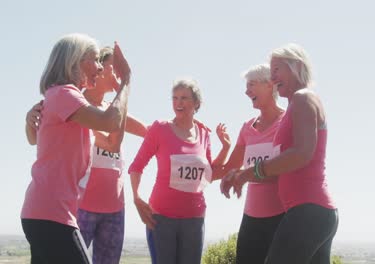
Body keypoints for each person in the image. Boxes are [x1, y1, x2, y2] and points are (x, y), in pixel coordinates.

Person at [25, 46, 147, 264]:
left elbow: (144, 133)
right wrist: (126, 82)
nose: (101, 68)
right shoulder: (68, 99)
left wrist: (180, 129)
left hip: (64, 209)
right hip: (61, 210)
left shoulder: (76, 101)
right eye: (98, 63)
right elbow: (112, 137)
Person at [221, 43, 338, 264]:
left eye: (277, 70)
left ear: (295, 65)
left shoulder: (303, 97)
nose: (273, 77)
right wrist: (243, 176)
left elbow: (302, 153)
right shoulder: (297, 103)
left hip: (308, 211)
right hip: (313, 212)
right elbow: (282, 168)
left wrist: (248, 173)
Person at [129, 78, 231, 264]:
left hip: (194, 218)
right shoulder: (160, 128)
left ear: (197, 103)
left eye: (184, 98)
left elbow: (209, 174)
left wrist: (225, 148)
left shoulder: (204, 134)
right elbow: (137, 165)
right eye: (175, 98)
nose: (178, 103)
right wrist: (136, 197)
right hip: (161, 218)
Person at [216, 63, 285, 264]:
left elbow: (287, 168)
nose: (247, 91)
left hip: (281, 215)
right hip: (251, 217)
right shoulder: (247, 128)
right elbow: (231, 168)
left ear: (270, 85)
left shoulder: (286, 122)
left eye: (252, 85)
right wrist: (225, 149)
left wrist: (243, 175)